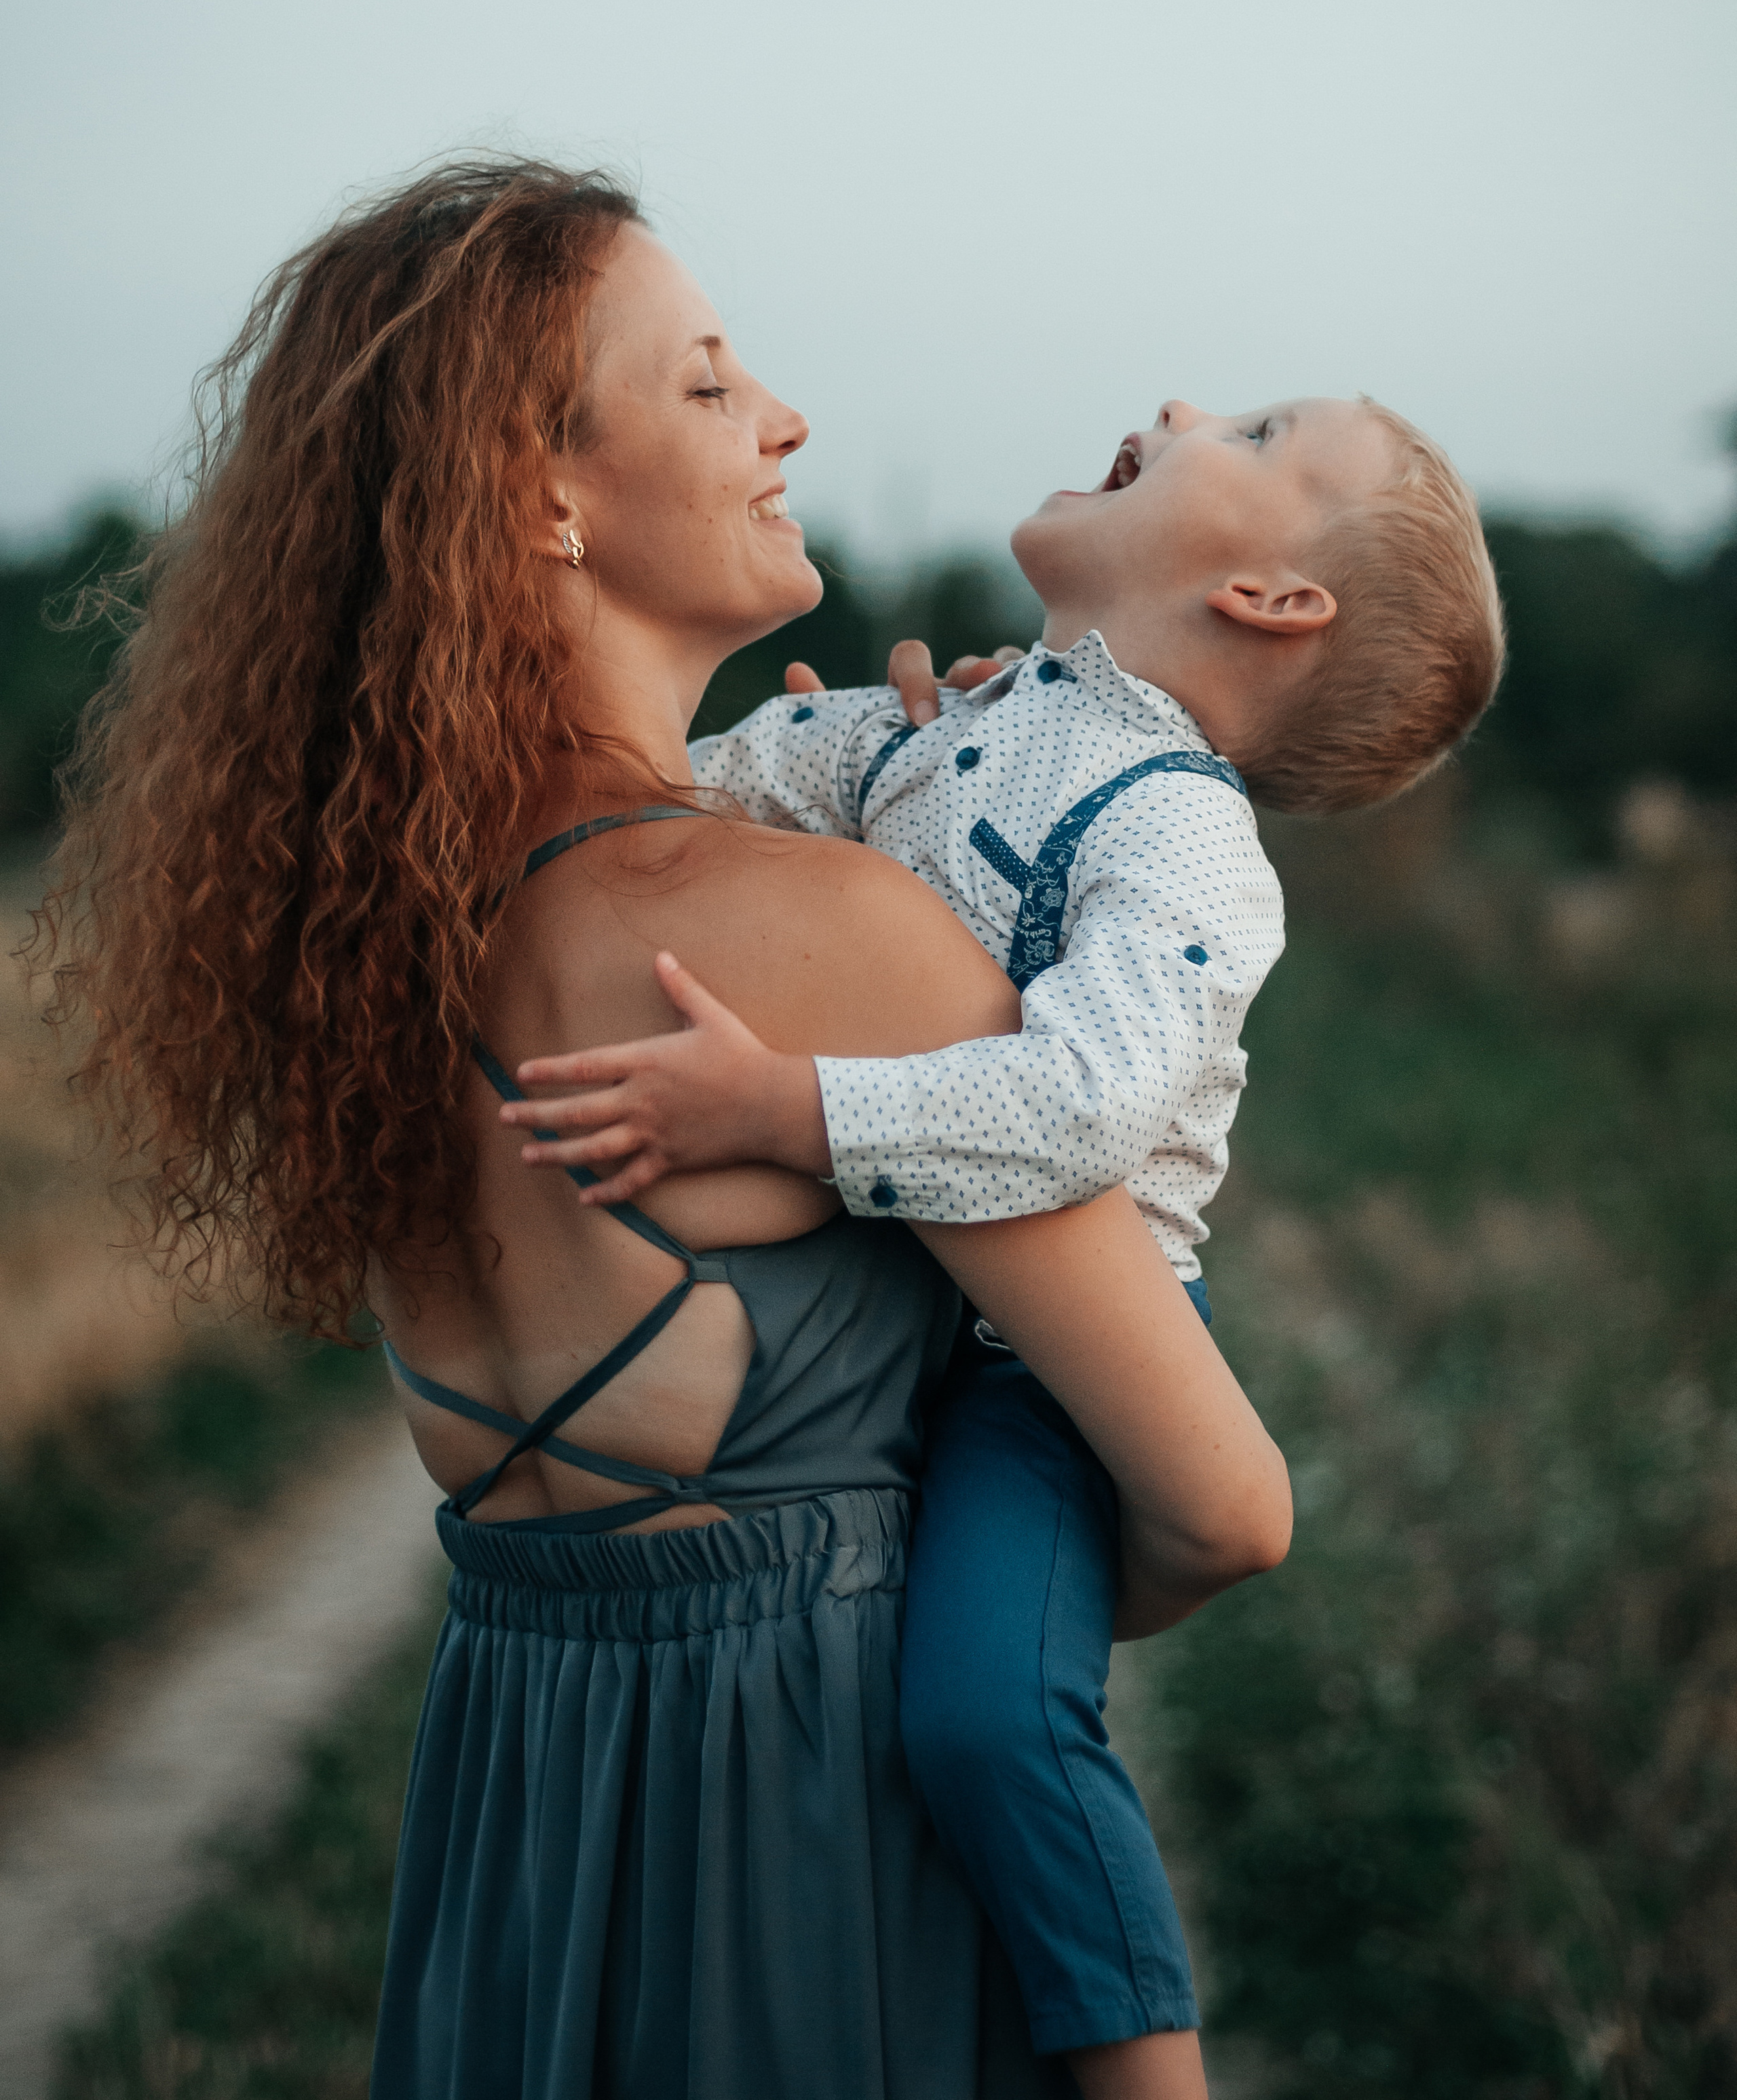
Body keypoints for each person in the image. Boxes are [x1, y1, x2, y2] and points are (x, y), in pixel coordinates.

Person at [34, 158, 1291, 2100]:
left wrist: (900, 787)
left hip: (522, 1822)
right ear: (541, 492)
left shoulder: (375, 944)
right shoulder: (838, 941)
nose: (783, 415)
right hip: (817, 1842)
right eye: (707, 382)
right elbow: (1221, 1500)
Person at [498, 389, 1506, 2065]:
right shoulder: (944, 719)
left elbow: (1081, 1112)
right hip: (876, 1339)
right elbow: (665, 808)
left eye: (1252, 433)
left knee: (982, 1717)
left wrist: (784, 1110)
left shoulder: (1182, 836)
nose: (1181, 405)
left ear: (1269, 600)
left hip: (1032, 1375)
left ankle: (1136, 2057)